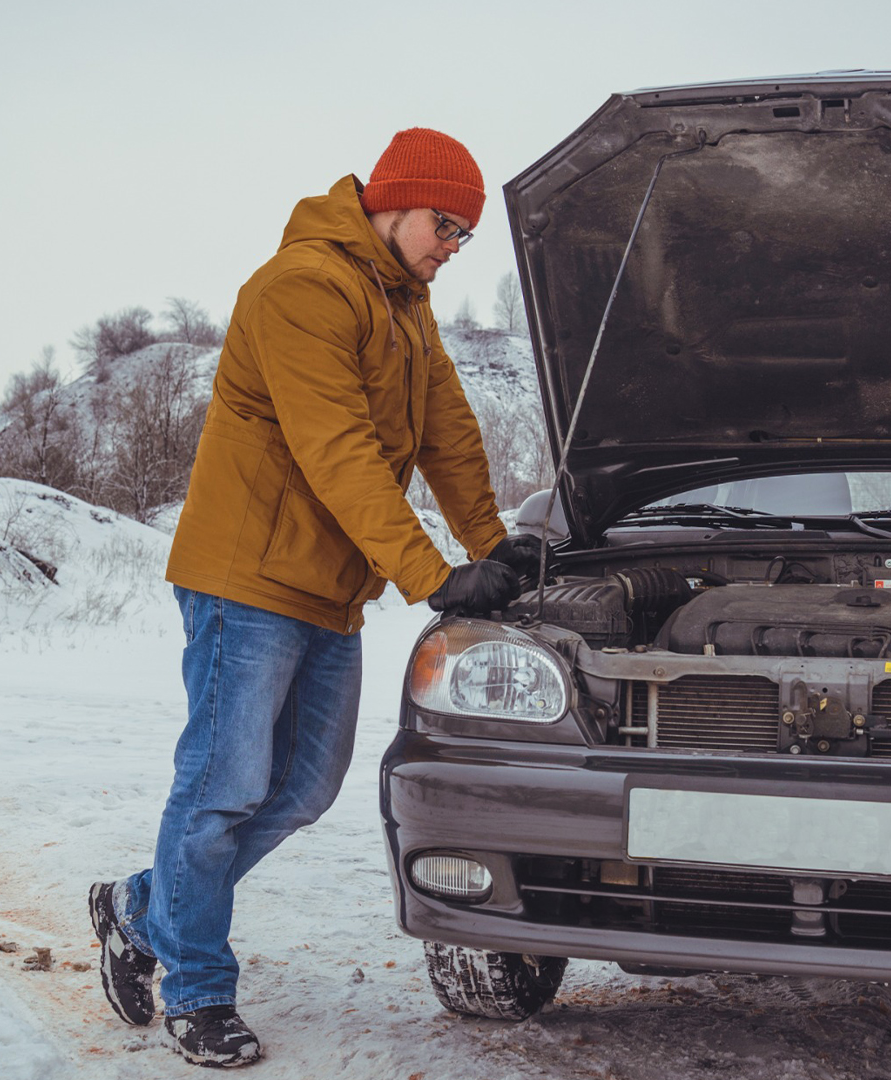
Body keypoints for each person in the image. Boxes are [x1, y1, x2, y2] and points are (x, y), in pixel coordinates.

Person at [85, 128, 543, 1068]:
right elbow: (336, 450)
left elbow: (448, 434)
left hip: (327, 590)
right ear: (394, 201)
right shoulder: (303, 287)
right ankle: (198, 989)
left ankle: (140, 905)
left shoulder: (406, 305)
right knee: (221, 794)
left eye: (464, 233)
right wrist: (434, 575)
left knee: (303, 789)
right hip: (244, 581)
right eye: (443, 224)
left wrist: (492, 545)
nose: (452, 245)